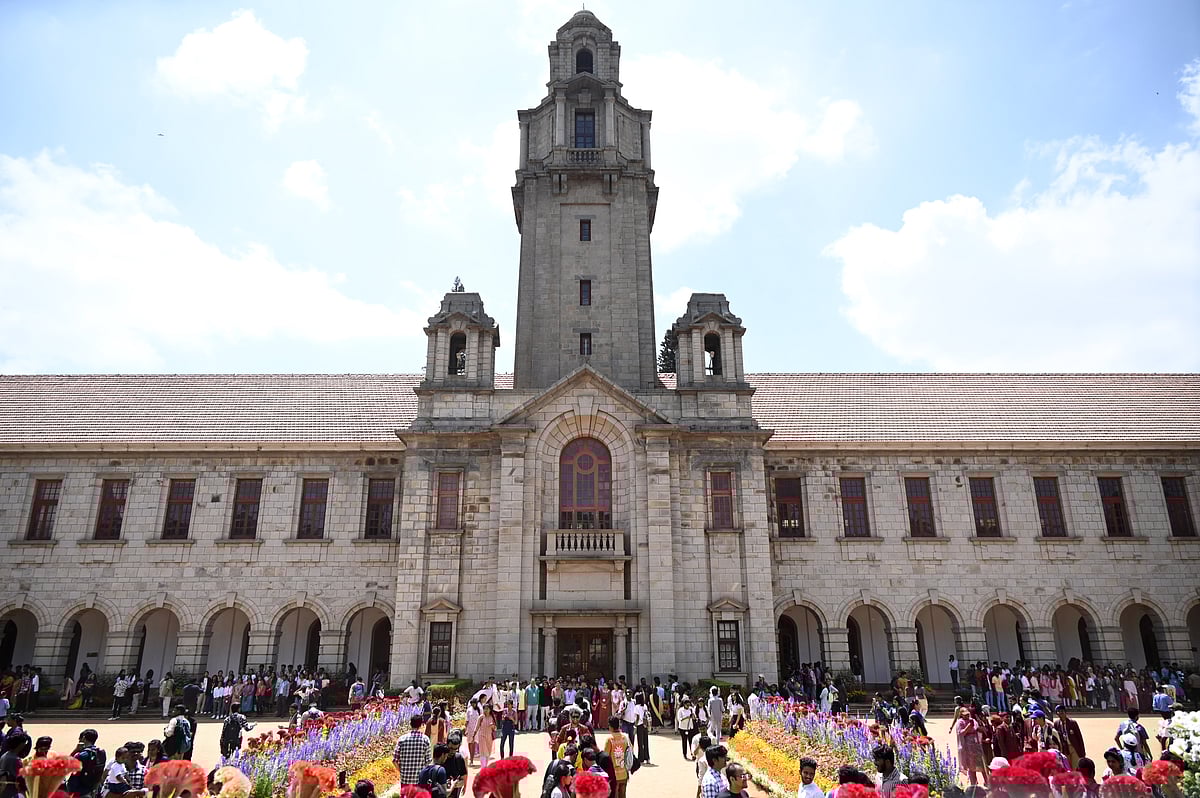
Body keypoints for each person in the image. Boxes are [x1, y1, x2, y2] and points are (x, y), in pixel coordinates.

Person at [954, 705, 988, 787]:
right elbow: (961, 733)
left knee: (982, 764)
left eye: (968, 714)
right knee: (971, 766)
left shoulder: (972, 720)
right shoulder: (960, 722)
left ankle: (987, 781)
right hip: (967, 747)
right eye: (965, 714)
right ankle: (974, 784)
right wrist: (968, 727)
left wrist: (981, 729)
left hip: (976, 745)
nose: (967, 716)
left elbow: (976, 728)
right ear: (961, 714)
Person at [393, 715, 432, 787]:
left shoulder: (402, 739)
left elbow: (395, 760)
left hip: (405, 779)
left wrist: (401, 771)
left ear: (410, 724)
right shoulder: (425, 739)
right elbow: (428, 761)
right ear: (421, 725)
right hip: (420, 780)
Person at [65, 729, 105, 798]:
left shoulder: (81, 755)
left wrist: (76, 750)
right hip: (93, 788)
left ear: (83, 738)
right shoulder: (101, 753)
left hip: (78, 790)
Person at [603, 717, 631, 798]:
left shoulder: (610, 739)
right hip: (624, 773)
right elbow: (629, 753)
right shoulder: (625, 737)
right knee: (623, 795)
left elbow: (605, 757)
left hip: (614, 775)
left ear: (610, 726)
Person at [0, 733, 30, 798]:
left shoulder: (4, 755)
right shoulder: (16, 759)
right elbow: (21, 777)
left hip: (3, 790)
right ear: (21, 745)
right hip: (13, 792)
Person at [442, 731, 467, 798]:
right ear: (446, 744)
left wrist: (456, 784)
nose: (452, 752)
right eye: (451, 748)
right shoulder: (440, 757)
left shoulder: (459, 758)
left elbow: (463, 778)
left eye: (455, 749)